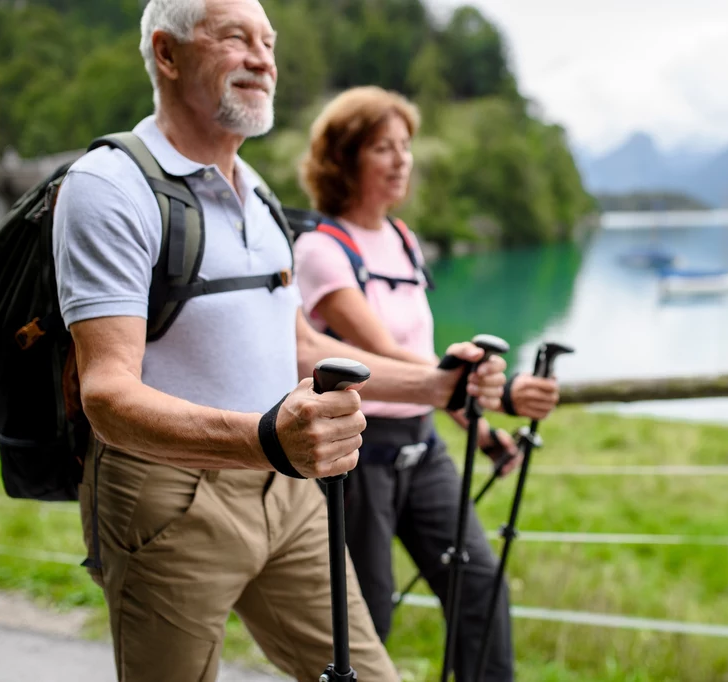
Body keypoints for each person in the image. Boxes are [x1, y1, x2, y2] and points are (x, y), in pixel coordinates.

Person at [51, 2, 508, 681]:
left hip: (288, 492)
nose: (264, 59)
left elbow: (296, 346)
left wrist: (440, 385)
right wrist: (267, 439)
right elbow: (107, 395)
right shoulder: (109, 188)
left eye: (269, 41)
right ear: (167, 55)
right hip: (170, 498)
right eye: (235, 38)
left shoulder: (259, 195)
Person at [293, 86, 561, 681]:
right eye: (382, 148)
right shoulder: (320, 248)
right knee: (365, 619)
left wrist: (484, 431)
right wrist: (495, 389)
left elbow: (423, 369)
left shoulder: (405, 240)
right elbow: (381, 353)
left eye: (405, 147)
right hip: (357, 453)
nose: (401, 160)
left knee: (480, 588)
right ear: (343, 159)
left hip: (424, 443)